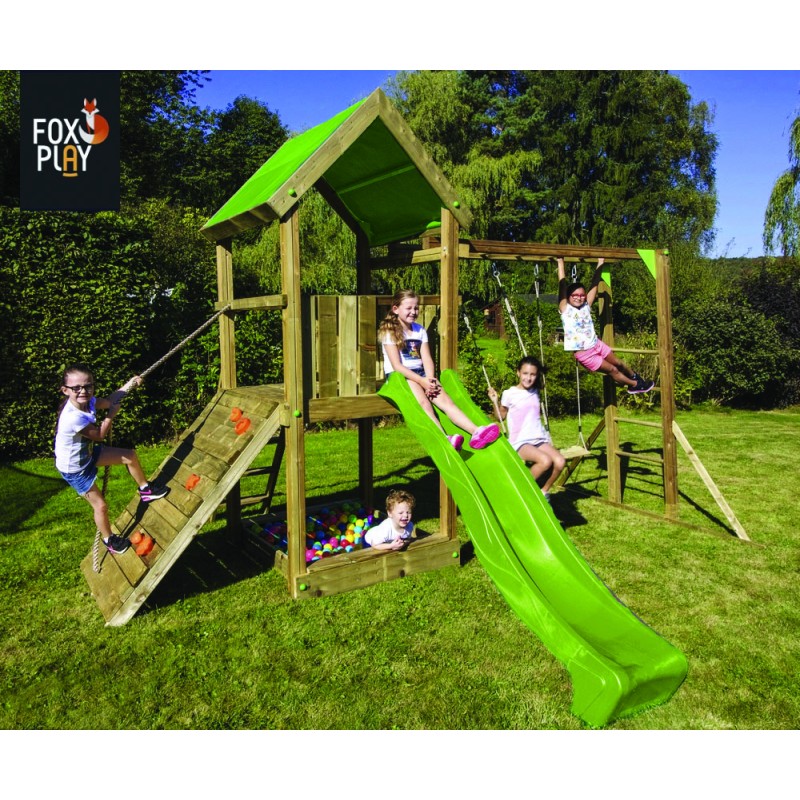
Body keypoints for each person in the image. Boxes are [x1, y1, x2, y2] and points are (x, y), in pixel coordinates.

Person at [54, 363, 169, 555]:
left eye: (88, 386)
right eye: (76, 388)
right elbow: (99, 435)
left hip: (87, 454)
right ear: (65, 390)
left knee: (129, 456)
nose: (83, 391)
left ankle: (146, 490)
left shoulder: (88, 401)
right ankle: (110, 541)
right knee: (100, 506)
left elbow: (109, 400)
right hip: (75, 468)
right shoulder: (72, 417)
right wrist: (110, 416)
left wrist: (130, 384)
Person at [379, 289, 500, 451]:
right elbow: (397, 366)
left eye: (416, 308)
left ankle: (476, 431)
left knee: (446, 401)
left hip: (422, 374)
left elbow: (427, 359)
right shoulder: (390, 332)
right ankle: (444, 438)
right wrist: (422, 381)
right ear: (395, 309)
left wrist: (430, 379)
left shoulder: (419, 330)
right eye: (408, 308)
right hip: (400, 377)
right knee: (423, 402)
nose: (413, 312)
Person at [557, 257, 655, 394]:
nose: (579, 297)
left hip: (596, 344)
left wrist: (600, 263)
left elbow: (594, 284)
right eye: (575, 295)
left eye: (582, 295)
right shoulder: (565, 309)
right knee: (613, 370)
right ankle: (635, 385)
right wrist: (560, 262)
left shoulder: (586, 306)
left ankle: (635, 377)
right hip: (584, 354)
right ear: (568, 297)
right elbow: (562, 285)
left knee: (618, 363)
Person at [488, 356, 566, 500]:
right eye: (525, 373)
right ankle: (520, 489)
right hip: (520, 441)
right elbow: (500, 417)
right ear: (518, 372)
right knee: (545, 461)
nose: (528, 378)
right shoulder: (509, 393)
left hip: (539, 439)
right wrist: (495, 401)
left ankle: (543, 492)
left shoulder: (535, 391)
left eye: (532, 374)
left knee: (560, 462)